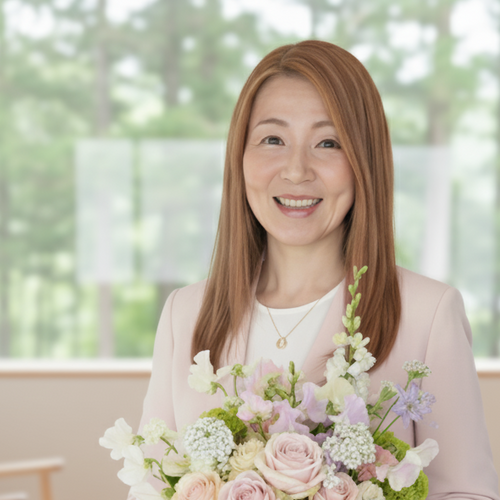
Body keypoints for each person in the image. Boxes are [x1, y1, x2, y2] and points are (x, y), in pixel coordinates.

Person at [128, 40, 499, 499]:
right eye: (272, 140)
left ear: (364, 161)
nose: (297, 170)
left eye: (328, 143)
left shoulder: (428, 313)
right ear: (239, 156)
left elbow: (466, 491)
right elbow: (150, 486)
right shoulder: (184, 313)